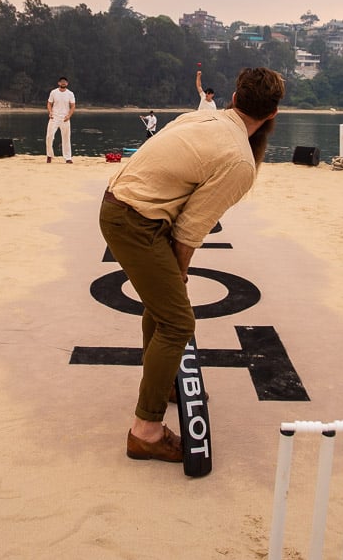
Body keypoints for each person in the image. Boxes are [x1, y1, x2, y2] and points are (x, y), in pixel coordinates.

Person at [100, 67, 285, 463]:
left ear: (234, 99)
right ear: (272, 115)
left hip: (120, 203)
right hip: (136, 220)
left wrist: (172, 271)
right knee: (178, 322)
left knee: (162, 306)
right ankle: (145, 432)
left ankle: (161, 383)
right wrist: (179, 269)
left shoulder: (203, 115)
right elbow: (191, 228)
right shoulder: (239, 160)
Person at [45, 77, 76, 163]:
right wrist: (50, 112)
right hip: (54, 117)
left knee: (66, 138)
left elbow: (73, 106)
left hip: (65, 118)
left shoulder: (70, 94)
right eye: (61, 82)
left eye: (65, 82)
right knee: (49, 136)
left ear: (67, 84)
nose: (63, 83)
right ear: (58, 83)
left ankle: (68, 158)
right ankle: (49, 155)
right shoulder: (53, 92)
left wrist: (69, 116)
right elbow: (49, 103)